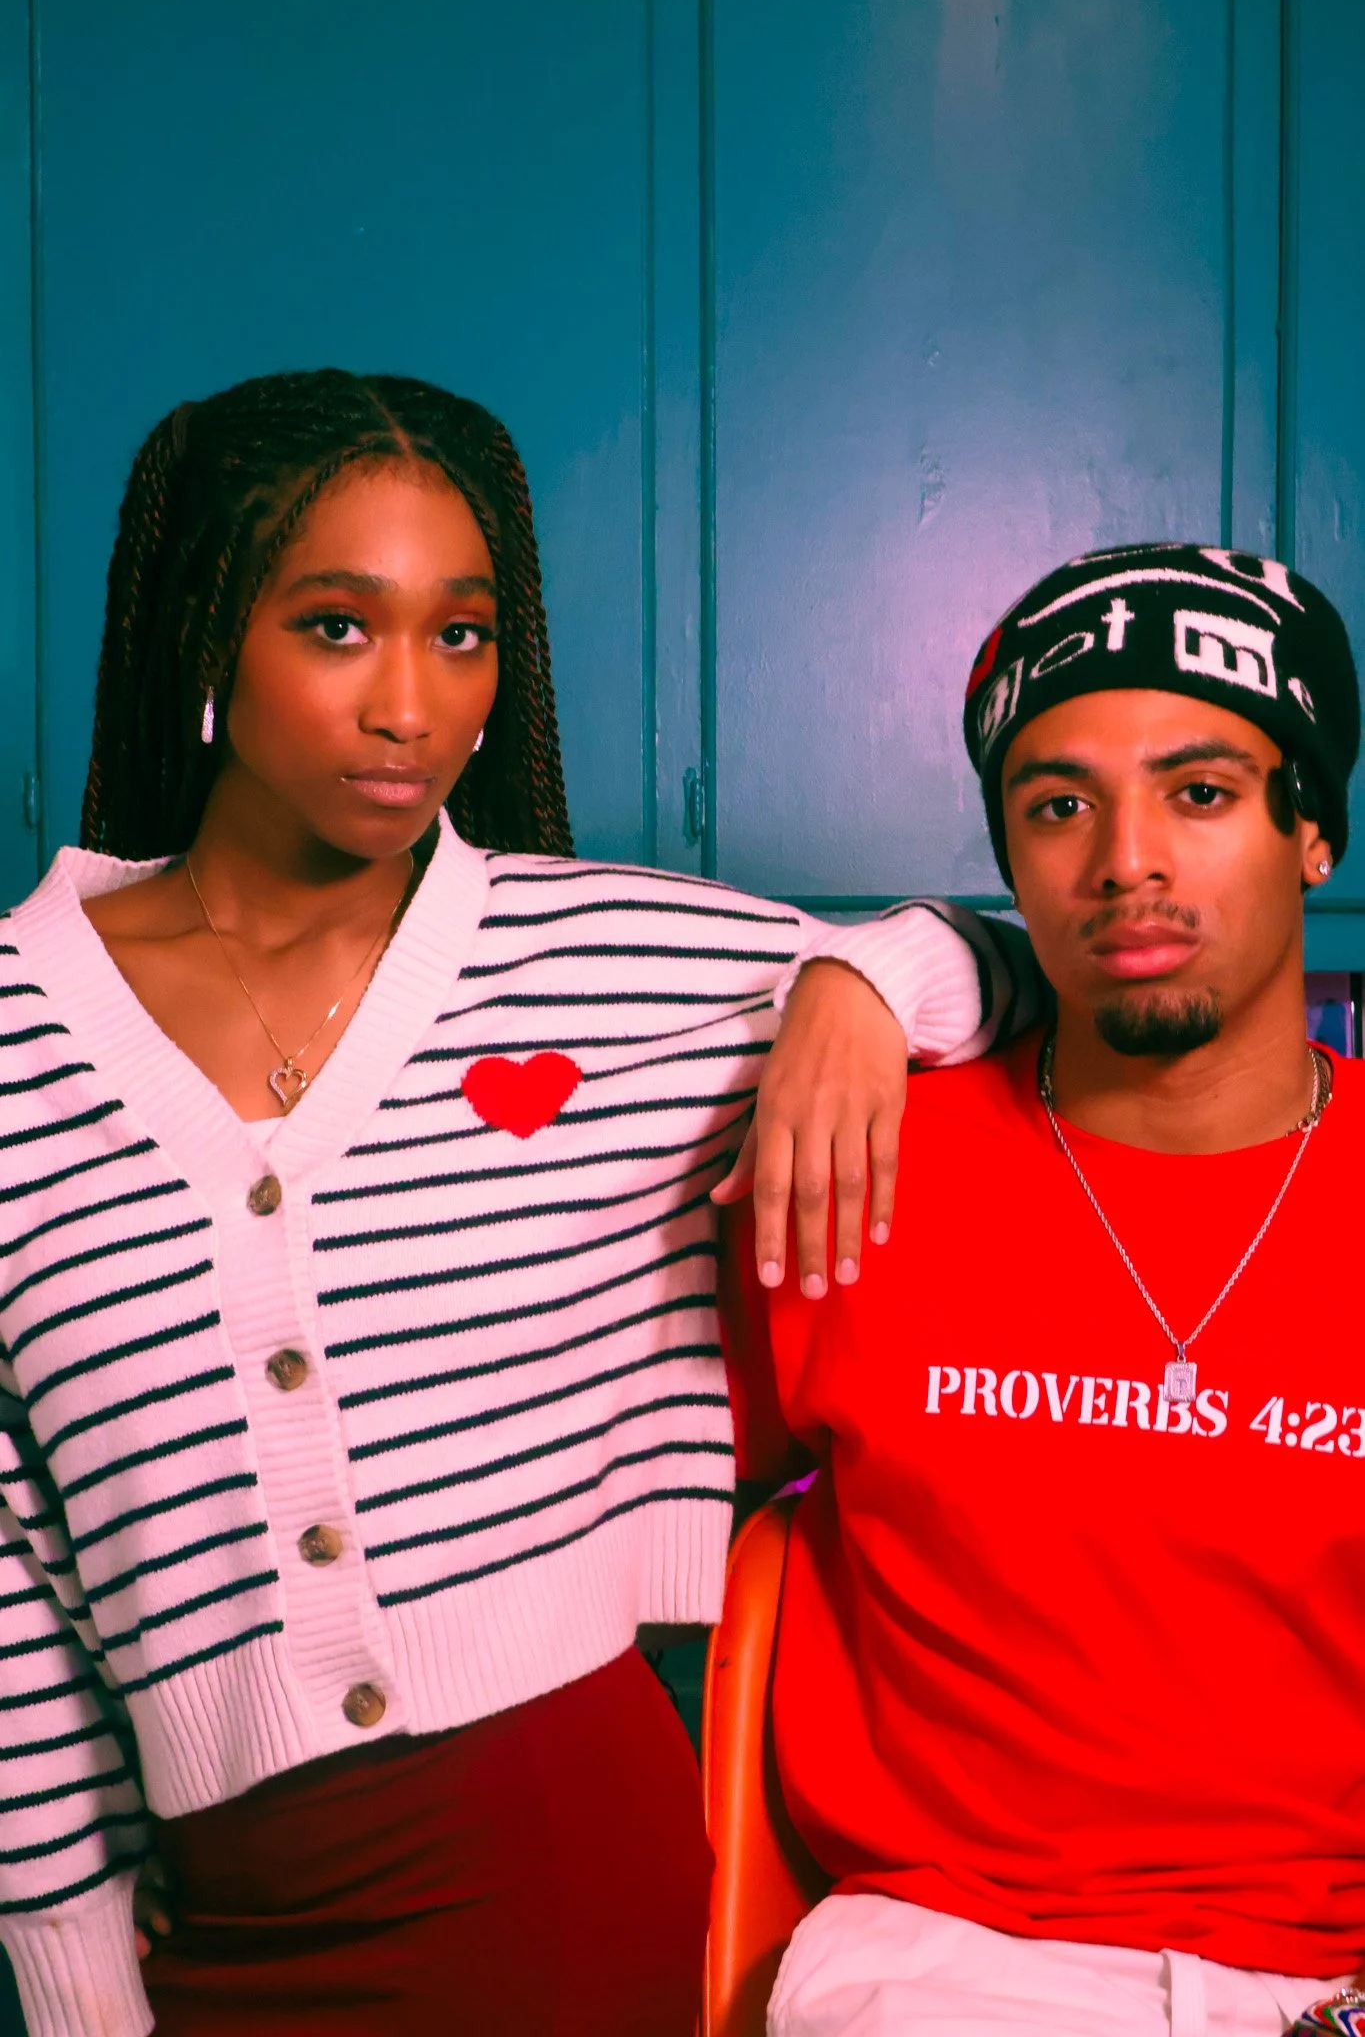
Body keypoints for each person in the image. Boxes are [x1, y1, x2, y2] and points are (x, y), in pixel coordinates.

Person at [0, 370, 1030, 2037]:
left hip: (561, 1866)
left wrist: (856, 976)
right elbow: (13, 1595)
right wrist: (73, 1984)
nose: (411, 705)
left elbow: (1020, 967)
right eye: (338, 629)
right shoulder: (15, 1043)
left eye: (460, 635)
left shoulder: (599, 962)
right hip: (209, 1920)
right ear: (207, 631)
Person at [725, 544, 1365, 2037]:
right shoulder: (853, 1166)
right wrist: (859, 969)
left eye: (1199, 794)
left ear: (1313, 832)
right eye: (1059, 805)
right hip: (942, 1957)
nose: (1125, 859)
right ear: (1011, 863)